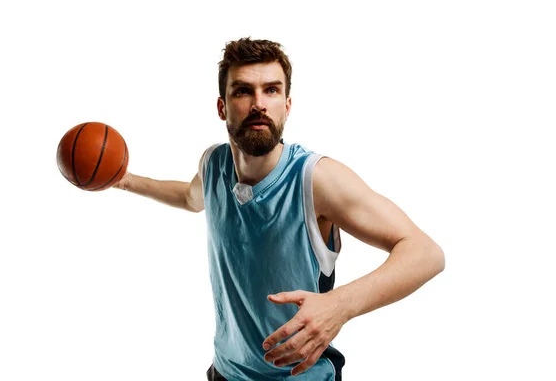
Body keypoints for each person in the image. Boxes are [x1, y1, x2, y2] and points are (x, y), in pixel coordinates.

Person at [113, 37, 445, 380]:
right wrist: (124, 180)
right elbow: (189, 198)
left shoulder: (317, 179)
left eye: (271, 90)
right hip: (226, 372)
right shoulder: (213, 164)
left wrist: (340, 305)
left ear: (287, 105)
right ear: (222, 107)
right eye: (243, 91)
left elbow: (425, 254)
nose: (259, 104)